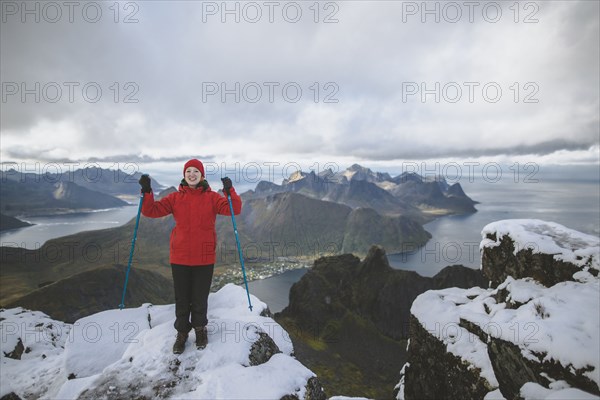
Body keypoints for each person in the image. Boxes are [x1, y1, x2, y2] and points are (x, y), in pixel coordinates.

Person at [138, 159, 242, 354]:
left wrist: (230, 191)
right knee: (182, 298)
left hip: (204, 257)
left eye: (196, 171)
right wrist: (147, 192)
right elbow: (150, 211)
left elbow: (234, 209)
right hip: (180, 257)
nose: (192, 174)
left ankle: (200, 329)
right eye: (188, 171)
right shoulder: (175, 198)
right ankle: (182, 333)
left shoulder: (212, 198)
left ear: (202, 175)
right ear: (184, 175)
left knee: (200, 297)